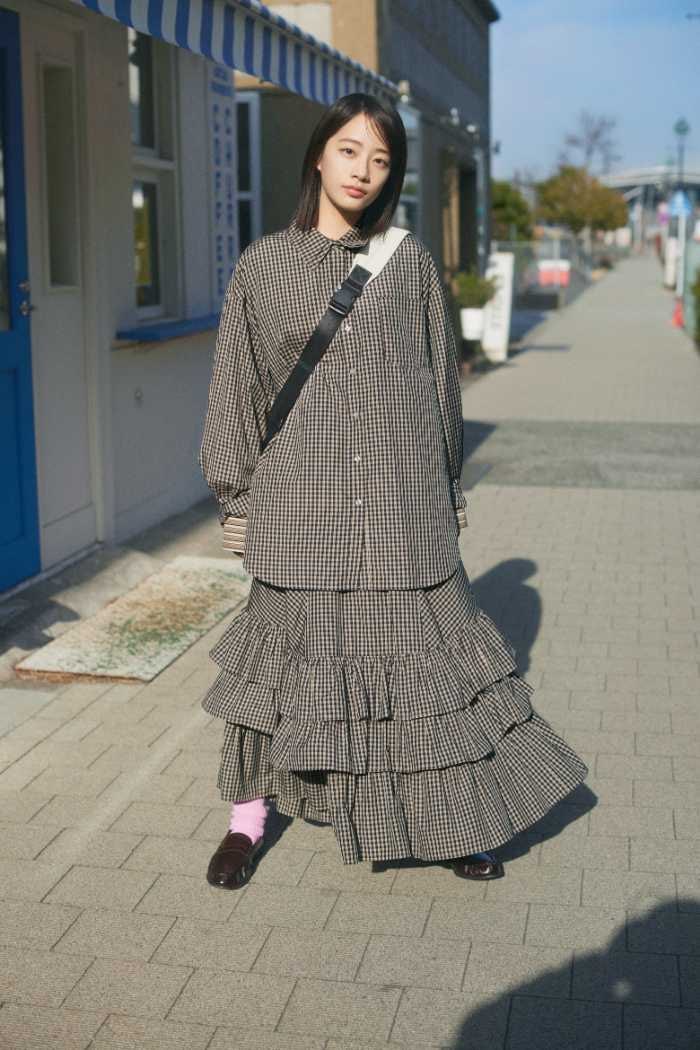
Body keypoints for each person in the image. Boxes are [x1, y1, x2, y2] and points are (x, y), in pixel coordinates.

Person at [198, 92, 589, 889]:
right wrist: (235, 499)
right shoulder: (263, 267)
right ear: (318, 156)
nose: (363, 172)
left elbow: (441, 383)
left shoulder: (407, 261)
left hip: (399, 508)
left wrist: (447, 489)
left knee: (420, 677)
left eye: (380, 160)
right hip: (299, 508)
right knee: (277, 672)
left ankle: (450, 821)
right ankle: (247, 820)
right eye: (350, 151)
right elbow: (236, 391)